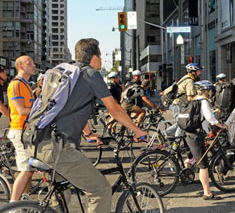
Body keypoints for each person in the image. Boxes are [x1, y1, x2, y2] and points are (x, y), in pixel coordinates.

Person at [34, 38, 148, 213]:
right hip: (59, 148)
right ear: (94, 58)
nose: (101, 60)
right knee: (100, 190)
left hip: (39, 141)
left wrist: (87, 134)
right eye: (101, 56)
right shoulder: (89, 74)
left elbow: (68, 108)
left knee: (62, 194)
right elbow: (115, 109)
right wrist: (138, 131)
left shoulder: (67, 72)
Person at [185, 80, 227, 200]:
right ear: (206, 91)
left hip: (188, 132)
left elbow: (203, 115)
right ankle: (207, 193)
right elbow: (209, 118)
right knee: (203, 166)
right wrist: (221, 126)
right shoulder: (203, 101)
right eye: (210, 91)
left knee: (193, 157)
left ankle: (187, 172)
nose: (211, 93)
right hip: (195, 135)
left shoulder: (193, 100)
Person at [7, 56, 36, 202]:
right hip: (20, 130)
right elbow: (21, 110)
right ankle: (13, 206)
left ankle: (24, 200)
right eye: (28, 63)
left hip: (26, 131)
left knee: (29, 170)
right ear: (20, 67)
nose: (33, 65)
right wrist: (42, 110)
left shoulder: (26, 84)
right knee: (25, 170)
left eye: (32, 62)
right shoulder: (16, 85)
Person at [165, 63, 202, 137]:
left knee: (180, 123)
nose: (200, 73)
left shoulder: (186, 77)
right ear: (193, 72)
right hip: (177, 104)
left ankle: (165, 134)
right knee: (183, 124)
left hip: (177, 104)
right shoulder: (190, 81)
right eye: (199, 71)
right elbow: (190, 98)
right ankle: (176, 144)